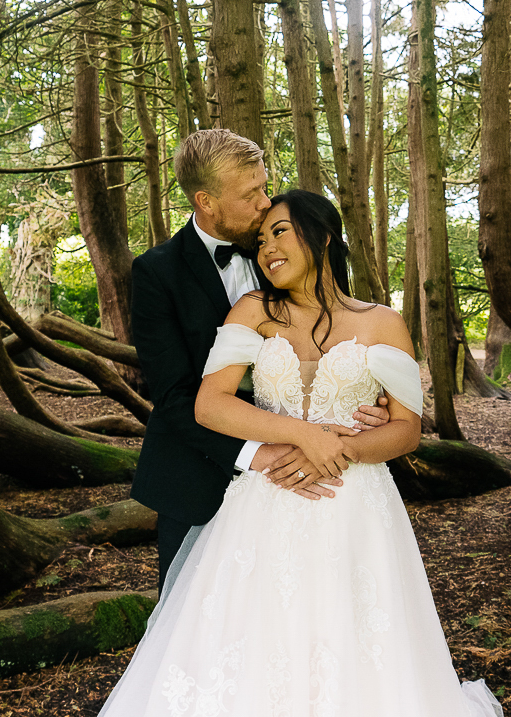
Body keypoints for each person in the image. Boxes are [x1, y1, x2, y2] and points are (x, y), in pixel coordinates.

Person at [20, 190, 511, 717]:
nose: (266, 244)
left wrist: (342, 451)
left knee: (345, 649)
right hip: (263, 510)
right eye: (260, 234)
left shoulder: (382, 322)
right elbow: (209, 403)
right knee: (251, 652)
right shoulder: (250, 311)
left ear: (323, 237)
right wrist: (299, 434)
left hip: (352, 514)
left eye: (279, 231)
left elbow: (407, 426)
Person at [126, 129, 382, 583]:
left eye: (265, 185)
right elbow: (173, 396)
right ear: (206, 201)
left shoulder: (286, 250)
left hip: (306, 477)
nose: (266, 202)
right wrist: (260, 453)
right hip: (197, 477)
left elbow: (330, 339)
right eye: (252, 194)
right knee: (194, 627)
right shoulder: (155, 273)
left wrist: (366, 405)